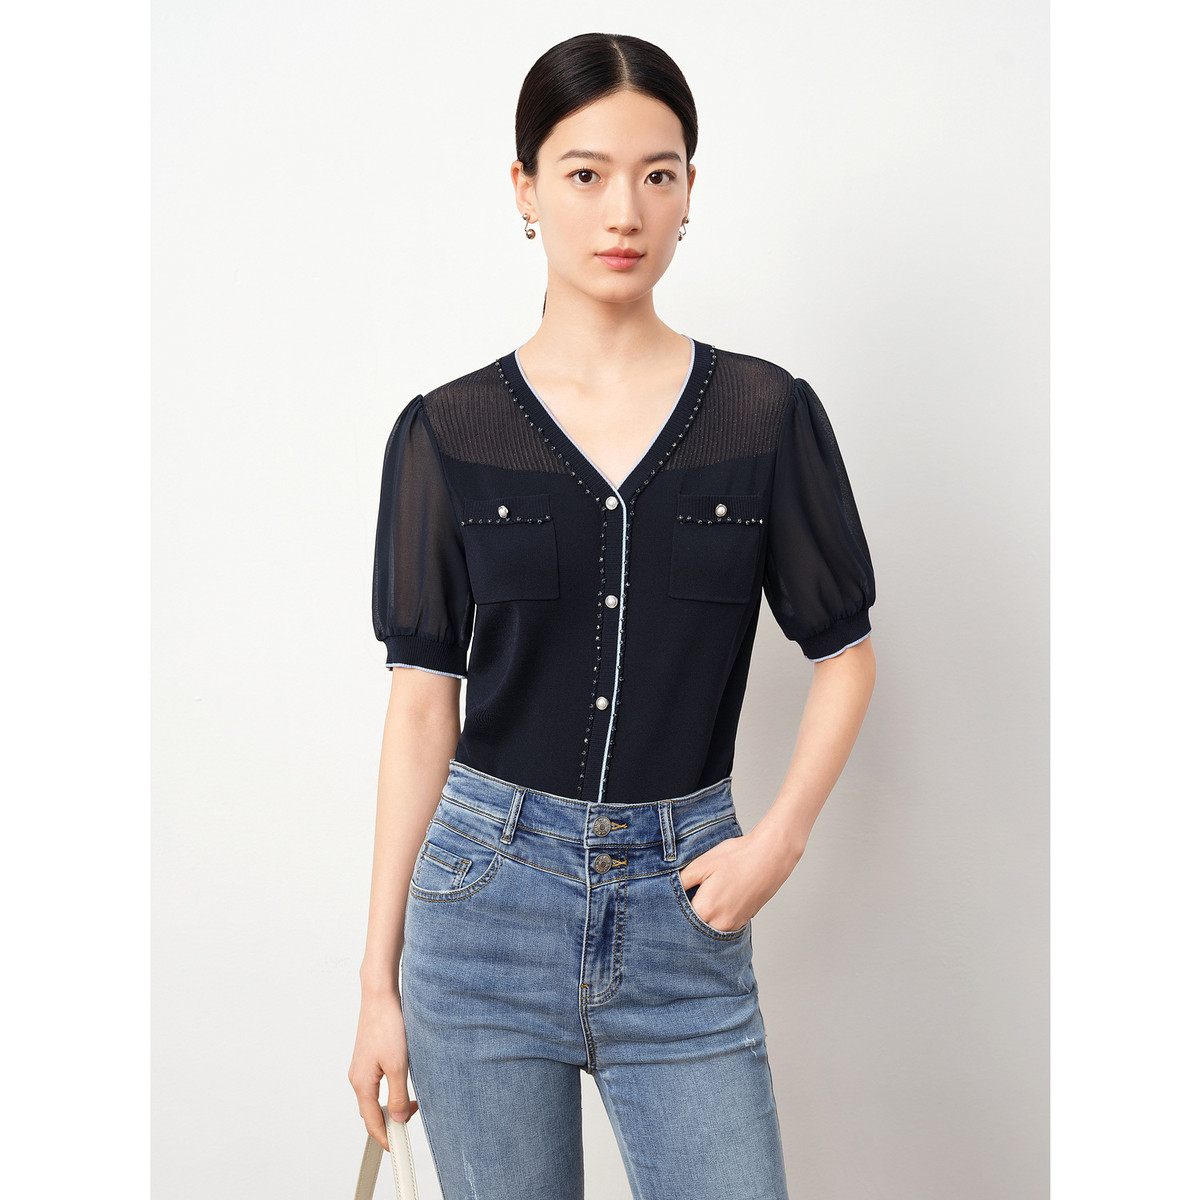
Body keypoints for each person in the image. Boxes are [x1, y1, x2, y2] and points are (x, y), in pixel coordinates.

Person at [348, 31, 877, 1200]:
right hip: (480, 919)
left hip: (687, 909)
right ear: (525, 188)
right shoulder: (447, 433)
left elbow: (845, 655)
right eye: (584, 174)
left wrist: (776, 845)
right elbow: (423, 710)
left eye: (658, 173)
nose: (623, 210)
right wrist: (378, 984)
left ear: (689, 191)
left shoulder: (765, 415)